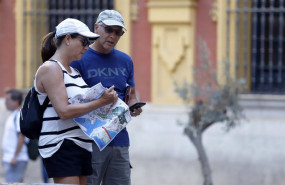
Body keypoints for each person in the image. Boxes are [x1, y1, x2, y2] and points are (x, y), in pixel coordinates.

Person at [37, 18, 118, 185]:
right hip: (62, 143)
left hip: (81, 144)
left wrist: (108, 103)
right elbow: (64, 111)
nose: (87, 47)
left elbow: (80, 107)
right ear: (67, 39)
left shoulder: (73, 71)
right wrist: (101, 101)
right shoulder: (51, 68)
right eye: (84, 41)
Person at [71, 9, 143, 185]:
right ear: (96, 28)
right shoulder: (80, 58)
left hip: (120, 139)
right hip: (90, 140)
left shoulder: (125, 60)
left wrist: (134, 105)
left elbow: (131, 94)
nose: (113, 36)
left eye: (118, 32)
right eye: (109, 30)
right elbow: (71, 98)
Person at [2, 89, 28, 183]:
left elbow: (22, 135)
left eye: (8, 99)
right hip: (11, 158)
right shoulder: (13, 115)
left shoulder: (19, 115)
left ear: (16, 101)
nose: (6, 102)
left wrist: (15, 156)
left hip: (16, 159)